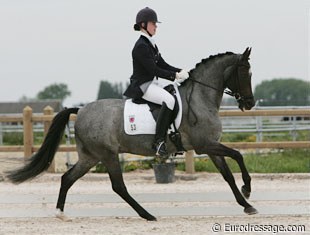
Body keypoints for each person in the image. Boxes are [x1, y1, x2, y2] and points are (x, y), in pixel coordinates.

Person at [123, 7, 189, 157]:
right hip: (143, 86)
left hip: (153, 84)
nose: (156, 26)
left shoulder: (150, 44)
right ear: (143, 25)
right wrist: (175, 76)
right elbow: (154, 70)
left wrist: (182, 71)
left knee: (175, 94)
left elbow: (163, 65)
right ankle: (158, 141)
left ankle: (172, 135)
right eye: (153, 23)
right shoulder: (141, 46)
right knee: (169, 100)